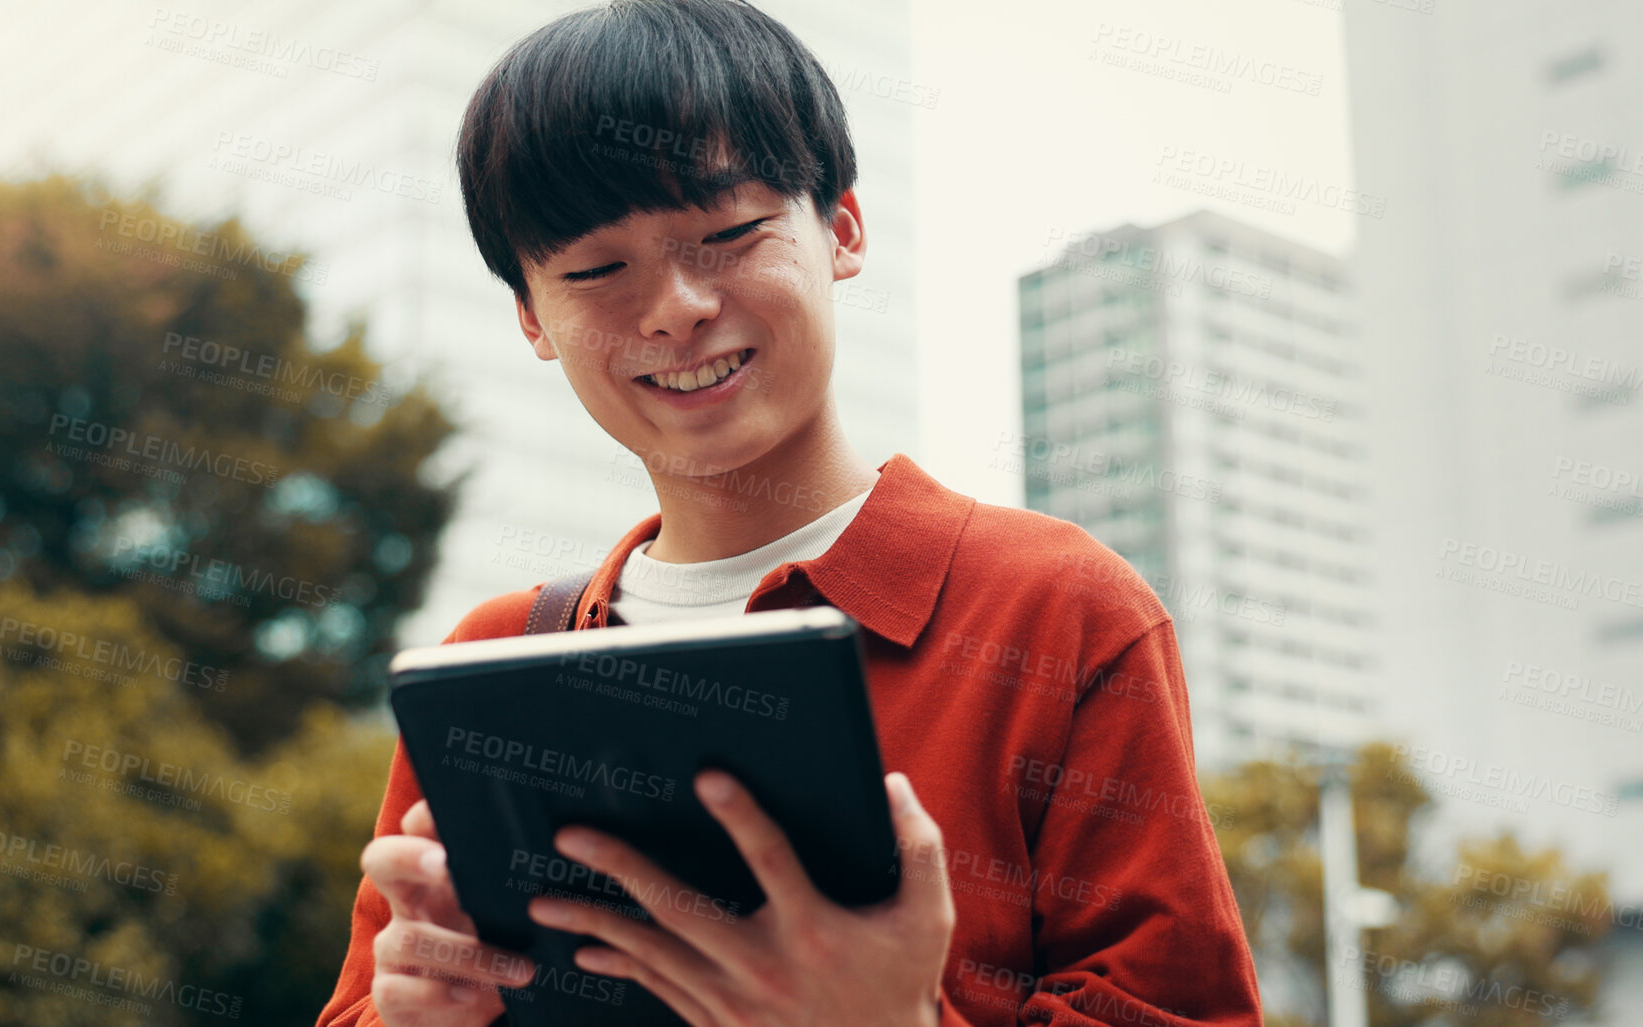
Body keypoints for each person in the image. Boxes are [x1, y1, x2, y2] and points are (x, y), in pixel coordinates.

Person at [316, 1, 1264, 1024]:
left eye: (727, 234)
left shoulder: (1056, 609)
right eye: (596, 270)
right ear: (532, 317)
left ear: (843, 229)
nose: (675, 306)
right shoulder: (495, 658)